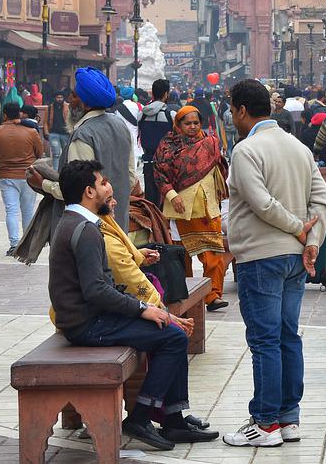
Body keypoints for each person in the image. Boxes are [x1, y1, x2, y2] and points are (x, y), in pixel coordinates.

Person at [49, 159, 216, 450]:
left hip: (91, 317)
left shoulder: (77, 223)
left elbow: (102, 286)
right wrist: (143, 309)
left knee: (170, 330)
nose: (108, 188)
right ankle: (141, 417)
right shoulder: (85, 230)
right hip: (87, 325)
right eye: (102, 183)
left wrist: (148, 310)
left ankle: (173, 419)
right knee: (173, 337)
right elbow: (96, 290)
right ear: (89, 191)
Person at [222, 80, 326, 447]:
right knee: (287, 336)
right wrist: (311, 241)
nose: (231, 116)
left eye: (232, 110)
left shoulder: (246, 150)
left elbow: (262, 203)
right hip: (295, 258)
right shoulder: (298, 147)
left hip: (261, 256)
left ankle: (265, 422)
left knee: (265, 339)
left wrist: (300, 229)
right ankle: (288, 418)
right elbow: (323, 202)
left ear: (241, 110)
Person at [154, 106, 231, 311]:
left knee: (214, 253)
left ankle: (213, 295)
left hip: (208, 208)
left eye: (196, 123)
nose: (193, 127)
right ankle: (186, 297)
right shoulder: (168, 145)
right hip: (181, 208)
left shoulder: (209, 142)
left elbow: (220, 168)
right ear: (178, 125)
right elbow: (160, 173)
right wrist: (172, 195)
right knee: (183, 256)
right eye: (187, 123)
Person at [61, 68, 141, 233]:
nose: (69, 100)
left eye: (74, 96)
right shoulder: (120, 124)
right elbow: (130, 177)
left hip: (91, 228)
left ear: (86, 104)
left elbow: (80, 189)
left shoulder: (83, 135)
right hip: (119, 225)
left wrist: (44, 184)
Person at [0, 101, 46, 256]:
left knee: (11, 211)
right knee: (28, 211)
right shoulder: (31, 132)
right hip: (29, 175)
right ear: (19, 114)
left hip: (7, 175)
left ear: (4, 115)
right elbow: (40, 153)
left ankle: (14, 244)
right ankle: (27, 244)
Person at [139, 79, 176, 209]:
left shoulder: (142, 114)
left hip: (148, 161)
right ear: (166, 94)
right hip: (166, 163)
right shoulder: (170, 115)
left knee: (150, 197)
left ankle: (152, 219)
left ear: (153, 94)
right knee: (165, 197)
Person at [47, 88, 71, 161]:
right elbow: (45, 122)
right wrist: (46, 132)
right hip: (54, 133)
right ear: (55, 98)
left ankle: (65, 168)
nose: (59, 99)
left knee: (66, 154)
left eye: (61, 97)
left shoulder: (68, 107)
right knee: (56, 154)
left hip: (65, 133)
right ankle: (55, 168)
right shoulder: (49, 108)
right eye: (58, 97)